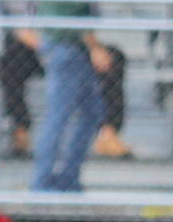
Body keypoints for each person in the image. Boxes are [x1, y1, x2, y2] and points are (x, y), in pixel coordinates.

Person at [0, 4, 130, 161]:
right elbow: (19, 29)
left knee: (113, 59)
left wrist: (92, 48)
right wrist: (52, 49)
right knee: (10, 61)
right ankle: (20, 129)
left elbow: (85, 23)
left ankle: (108, 134)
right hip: (38, 46)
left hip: (73, 45)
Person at [28, 0, 108, 191]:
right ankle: (42, 182)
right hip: (65, 47)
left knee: (91, 113)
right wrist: (95, 47)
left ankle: (69, 177)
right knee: (57, 118)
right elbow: (75, 16)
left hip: (74, 48)